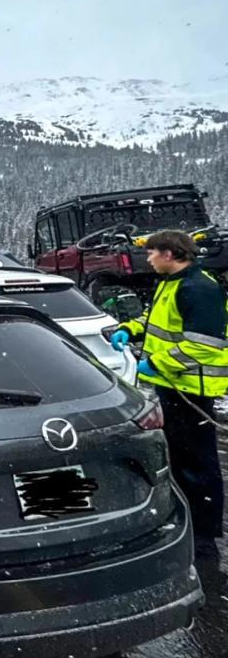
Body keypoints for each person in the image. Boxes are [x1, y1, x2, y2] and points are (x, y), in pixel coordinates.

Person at [110, 230, 228, 547]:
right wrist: (129, 329)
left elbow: (206, 346)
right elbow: (156, 320)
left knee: (197, 463)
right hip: (170, 385)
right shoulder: (171, 284)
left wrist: (159, 363)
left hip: (190, 389)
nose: (147, 258)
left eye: (152, 253)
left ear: (169, 254)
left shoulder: (199, 288)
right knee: (175, 455)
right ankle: (183, 519)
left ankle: (204, 533)